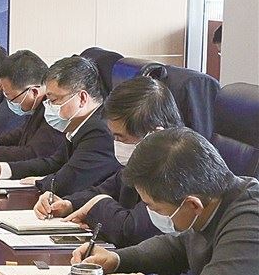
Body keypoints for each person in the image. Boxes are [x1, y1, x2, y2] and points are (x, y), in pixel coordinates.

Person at [73, 128, 258, 275]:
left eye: (154, 208)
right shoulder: (214, 199)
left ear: (192, 205)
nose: (151, 213)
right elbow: (178, 246)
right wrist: (117, 259)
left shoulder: (250, 221)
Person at [34, 77, 184, 247]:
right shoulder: (139, 164)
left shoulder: (177, 169)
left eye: (121, 137)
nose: (115, 143)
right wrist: (68, 204)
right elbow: (104, 190)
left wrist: (96, 205)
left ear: (154, 135)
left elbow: (129, 230)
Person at [0, 56, 120, 196]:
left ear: (82, 98)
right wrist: (1, 170)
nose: (48, 106)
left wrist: (41, 182)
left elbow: (68, 182)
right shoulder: (79, 124)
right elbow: (53, 163)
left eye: (54, 100)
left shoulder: (99, 130)